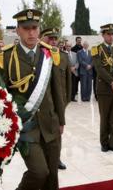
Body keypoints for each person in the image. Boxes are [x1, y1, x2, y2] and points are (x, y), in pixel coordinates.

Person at [0, 9, 65, 190]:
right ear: (18, 30)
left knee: (52, 176)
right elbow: (0, 96)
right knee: (39, 171)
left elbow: (57, 91)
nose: (31, 32)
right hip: (25, 126)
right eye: (26, 28)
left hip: (50, 123)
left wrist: (61, 120)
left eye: (34, 28)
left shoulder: (50, 54)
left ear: (39, 30)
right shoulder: (6, 56)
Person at [41, 27, 71, 171]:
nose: (53, 41)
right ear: (42, 38)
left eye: (55, 38)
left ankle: (56, 158)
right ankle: (42, 159)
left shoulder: (63, 56)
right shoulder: (38, 56)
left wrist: (65, 101)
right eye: (49, 38)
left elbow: (68, 82)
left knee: (57, 133)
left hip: (58, 103)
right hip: (40, 103)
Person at [91, 23, 113, 154]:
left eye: (112, 34)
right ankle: (104, 143)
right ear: (103, 35)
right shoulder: (97, 49)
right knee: (105, 117)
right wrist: (111, 82)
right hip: (105, 89)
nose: (111, 37)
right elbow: (99, 69)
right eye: (108, 34)